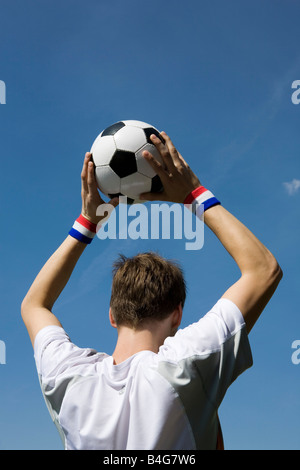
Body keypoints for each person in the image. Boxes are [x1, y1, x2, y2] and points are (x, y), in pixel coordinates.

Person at [21, 132, 282, 450]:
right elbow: (263, 270)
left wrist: (88, 221)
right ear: (177, 315)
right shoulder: (189, 364)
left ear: (112, 315)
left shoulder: (66, 375)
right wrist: (192, 194)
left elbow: (34, 305)